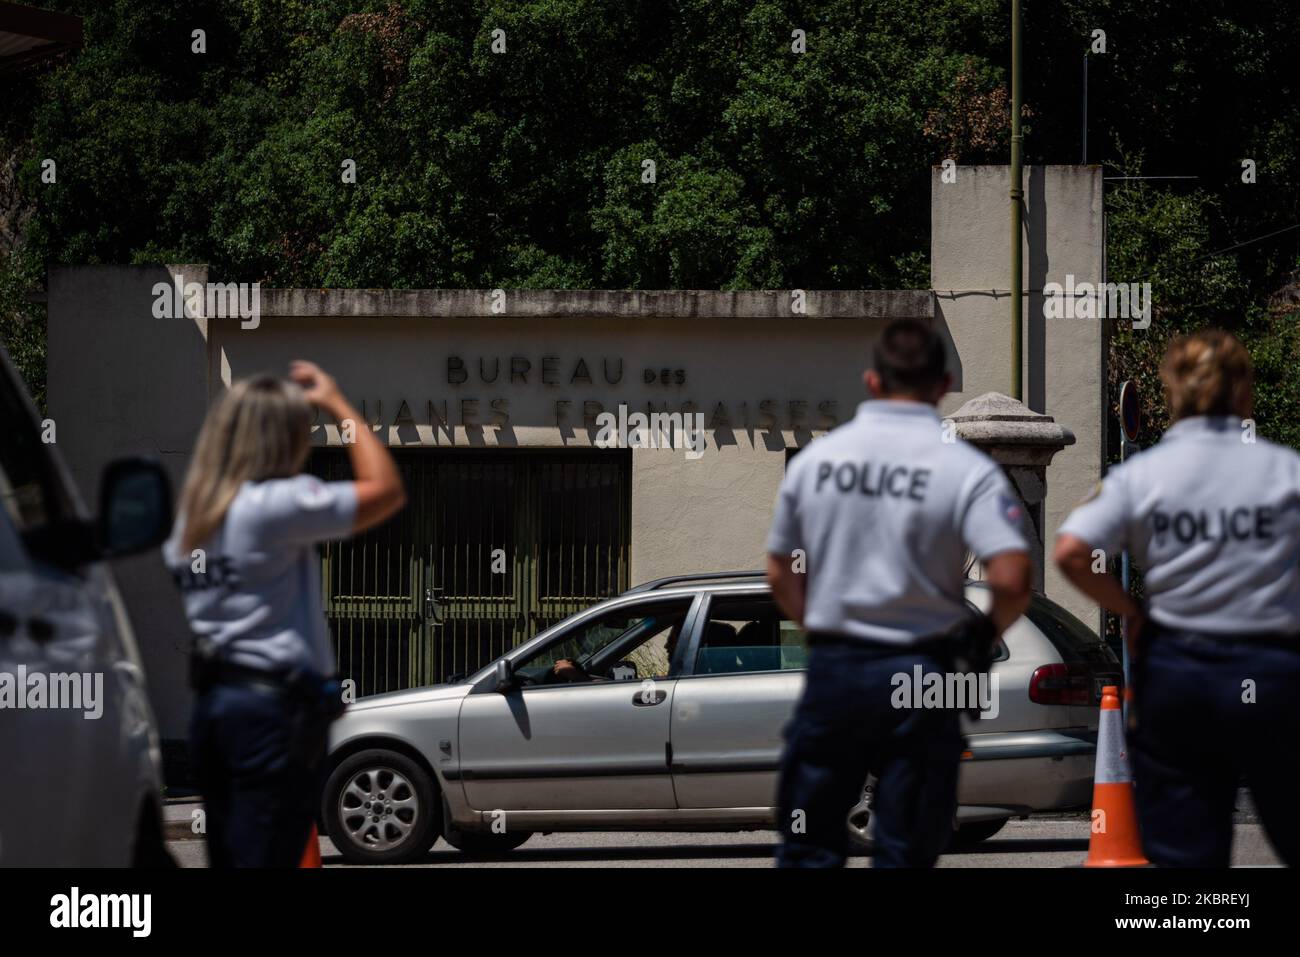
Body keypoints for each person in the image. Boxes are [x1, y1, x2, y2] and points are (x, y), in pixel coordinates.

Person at [767, 318, 1032, 868]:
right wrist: (979, 639)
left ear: (871, 381)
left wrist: (818, 628)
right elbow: (1012, 579)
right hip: (923, 674)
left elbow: (779, 572)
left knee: (811, 843)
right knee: (908, 847)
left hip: (838, 669)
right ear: (942, 385)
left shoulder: (818, 461)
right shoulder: (966, 469)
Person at [1054, 329, 1300, 867]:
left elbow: (1071, 550)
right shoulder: (1286, 471)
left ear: (1172, 394)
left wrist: (1131, 610)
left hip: (1179, 674)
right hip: (1273, 672)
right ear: (1243, 394)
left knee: (1186, 856)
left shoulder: (1143, 476)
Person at [164, 361, 406, 867]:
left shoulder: (194, 515)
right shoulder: (273, 504)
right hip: (273, 715)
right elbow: (385, 489)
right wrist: (338, 402)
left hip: (219, 708)